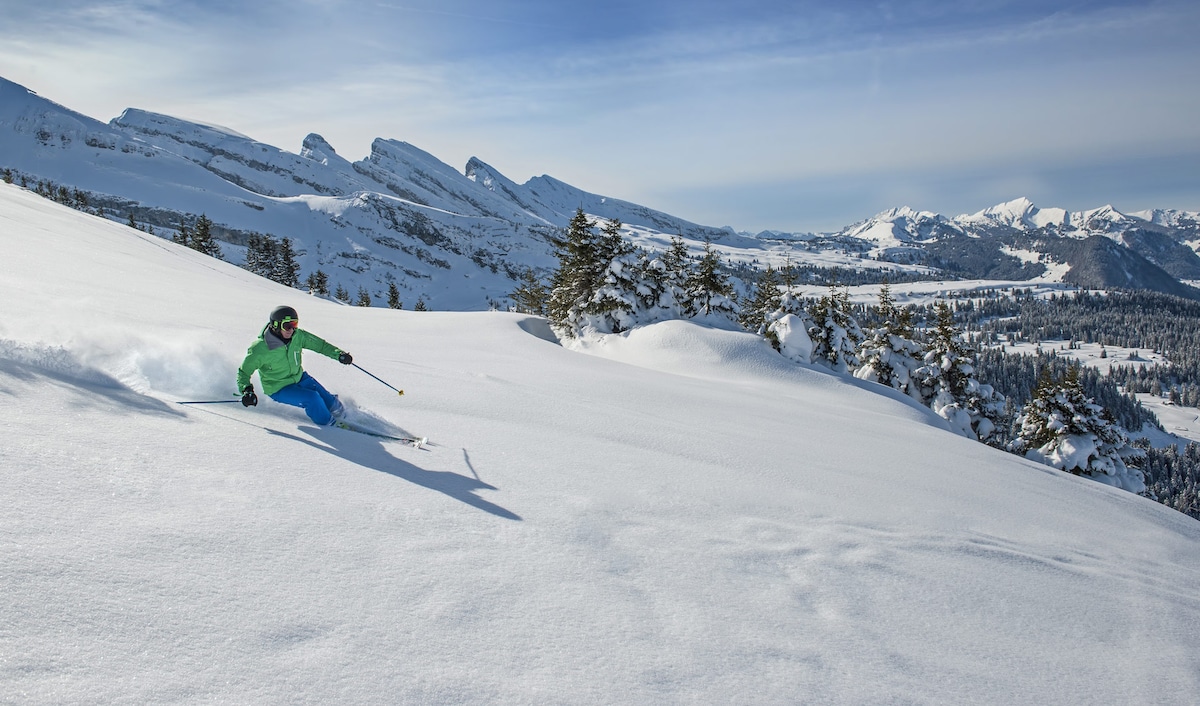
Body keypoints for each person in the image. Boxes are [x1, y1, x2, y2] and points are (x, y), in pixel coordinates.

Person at [237, 305, 353, 426]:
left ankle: (345, 416)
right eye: (287, 326)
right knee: (312, 398)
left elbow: (320, 345)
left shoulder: (297, 336)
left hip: (299, 377)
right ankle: (330, 425)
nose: (291, 330)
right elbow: (243, 372)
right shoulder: (260, 348)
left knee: (331, 402)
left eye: (294, 325)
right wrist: (246, 390)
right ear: (276, 325)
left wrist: (339, 355)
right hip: (279, 387)